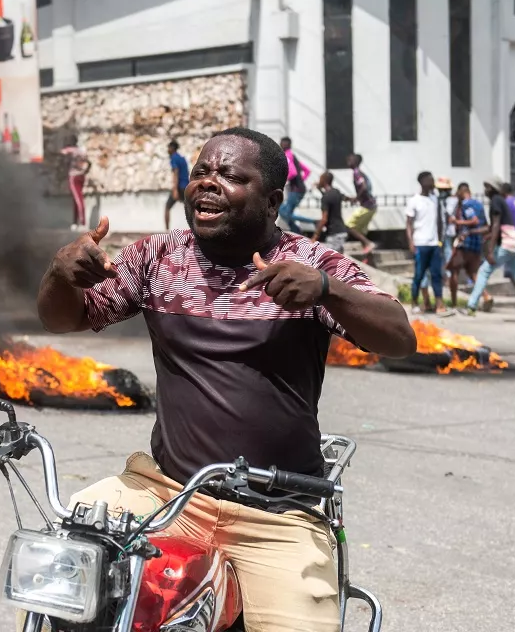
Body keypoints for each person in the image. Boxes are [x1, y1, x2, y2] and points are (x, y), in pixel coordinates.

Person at [37, 127, 415, 632]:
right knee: (60, 573)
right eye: (201, 173)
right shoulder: (157, 258)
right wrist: (61, 275)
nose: (208, 184)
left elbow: (399, 337)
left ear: (273, 200)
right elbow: (66, 318)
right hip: (167, 492)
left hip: (277, 514)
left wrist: (327, 291)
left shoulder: (310, 263)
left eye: (231, 175)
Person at [464, 177, 515, 322]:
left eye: (486, 187)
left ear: (492, 188)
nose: (484, 190)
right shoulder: (501, 201)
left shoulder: (496, 201)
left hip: (507, 243)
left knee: (484, 271)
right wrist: (473, 232)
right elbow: (492, 228)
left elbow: (496, 226)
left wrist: (491, 250)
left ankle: (471, 305)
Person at [405, 171, 450, 316]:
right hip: (420, 243)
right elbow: (409, 224)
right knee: (418, 275)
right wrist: (411, 242)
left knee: (437, 274)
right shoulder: (414, 200)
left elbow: (439, 221)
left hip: (434, 244)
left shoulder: (435, 199)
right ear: (422, 182)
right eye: (430, 180)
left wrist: (440, 241)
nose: (432, 183)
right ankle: (414, 303)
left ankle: (439, 304)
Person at [446, 182, 491, 310]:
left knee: (453, 269)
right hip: (477, 243)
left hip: (466, 242)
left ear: (462, 192)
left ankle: (454, 303)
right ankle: (486, 296)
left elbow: (474, 220)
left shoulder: (466, 204)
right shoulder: (479, 204)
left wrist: (456, 221)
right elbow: (485, 224)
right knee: (473, 273)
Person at [278, 136, 312, 233]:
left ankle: (312, 222)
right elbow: (307, 171)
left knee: (283, 212)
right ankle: (297, 233)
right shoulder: (292, 155)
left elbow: (293, 173)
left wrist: (282, 182)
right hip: (299, 189)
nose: (281, 145)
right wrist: (301, 180)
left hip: (296, 190)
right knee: (286, 214)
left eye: (282, 143)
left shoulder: (287, 155)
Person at [344, 154, 377, 256]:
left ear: (356, 162)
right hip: (371, 205)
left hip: (367, 206)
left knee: (349, 225)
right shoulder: (359, 173)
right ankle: (369, 256)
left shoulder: (356, 173)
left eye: (350, 159)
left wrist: (356, 198)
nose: (348, 161)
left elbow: (364, 187)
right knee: (360, 232)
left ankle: (368, 243)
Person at [311, 171, 348, 252]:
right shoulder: (336, 191)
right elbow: (329, 197)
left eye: (320, 179)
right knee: (337, 261)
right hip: (341, 231)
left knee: (329, 262)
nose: (318, 181)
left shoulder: (325, 198)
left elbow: (324, 219)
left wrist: (315, 236)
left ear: (324, 181)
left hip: (334, 234)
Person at [63, 135, 90, 231]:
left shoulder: (71, 150)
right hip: (81, 176)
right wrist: (85, 171)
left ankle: (83, 223)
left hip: (74, 177)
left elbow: (63, 152)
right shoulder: (83, 150)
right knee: (76, 200)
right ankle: (75, 222)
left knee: (78, 200)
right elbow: (89, 163)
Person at [164, 140, 190, 230]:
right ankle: (195, 231)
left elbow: (176, 173)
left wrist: (175, 190)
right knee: (190, 209)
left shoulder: (174, 158)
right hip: (186, 186)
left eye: (168, 148)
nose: (167, 150)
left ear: (172, 148)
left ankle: (167, 232)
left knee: (167, 207)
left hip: (179, 187)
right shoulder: (182, 158)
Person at [437, 177, 458, 279]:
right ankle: (443, 273)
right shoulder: (438, 200)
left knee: (448, 251)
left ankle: (450, 275)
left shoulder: (452, 200)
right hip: (440, 231)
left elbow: (448, 214)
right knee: (440, 254)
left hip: (449, 231)